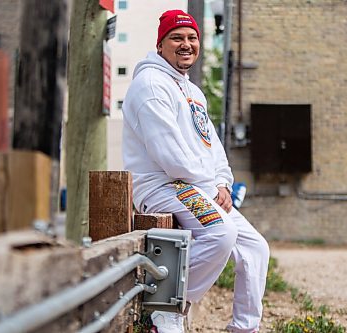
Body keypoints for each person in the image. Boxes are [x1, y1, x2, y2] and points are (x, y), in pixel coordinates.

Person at [122, 9, 270, 333]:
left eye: (192, 38)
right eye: (176, 37)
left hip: (196, 187)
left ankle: (245, 327)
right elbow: (170, 157)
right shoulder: (150, 86)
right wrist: (211, 187)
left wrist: (222, 182)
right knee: (221, 234)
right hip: (162, 186)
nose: (186, 44)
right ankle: (167, 308)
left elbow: (213, 148)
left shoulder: (193, 92)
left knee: (255, 247)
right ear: (160, 45)